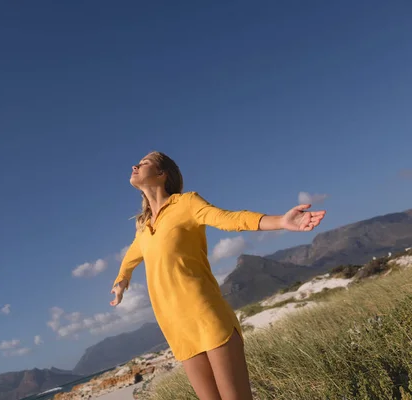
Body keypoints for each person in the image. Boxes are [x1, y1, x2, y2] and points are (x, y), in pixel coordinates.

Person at [110, 151, 326, 400]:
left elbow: (229, 219)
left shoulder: (186, 203)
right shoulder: (144, 226)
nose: (135, 165)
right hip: (176, 327)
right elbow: (132, 256)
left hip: (206, 314)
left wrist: (280, 221)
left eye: (144, 163)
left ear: (162, 174)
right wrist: (121, 281)